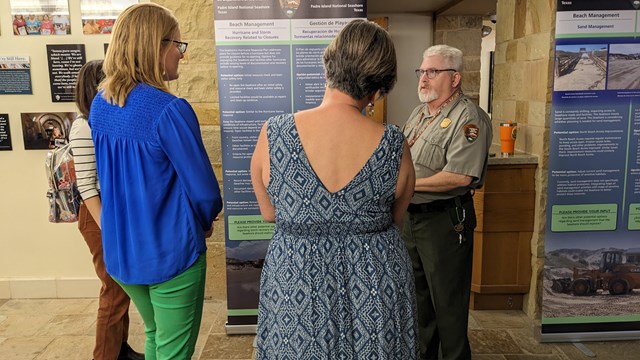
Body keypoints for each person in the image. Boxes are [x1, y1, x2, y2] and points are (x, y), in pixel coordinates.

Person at [251, 19, 418, 359]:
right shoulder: (392, 143)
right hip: (375, 280)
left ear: (329, 66)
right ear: (379, 87)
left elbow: (270, 213)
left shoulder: (274, 134)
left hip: (296, 277)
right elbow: (395, 217)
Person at [89, 3, 222, 359]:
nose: (182, 55)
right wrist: (204, 223)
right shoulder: (169, 110)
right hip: (169, 254)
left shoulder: (102, 104)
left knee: (155, 335)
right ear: (155, 45)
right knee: (173, 351)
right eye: (178, 45)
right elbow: (206, 193)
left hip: (123, 253)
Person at [401, 44, 492, 360]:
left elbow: (459, 177)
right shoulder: (419, 112)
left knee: (448, 308)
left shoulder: (468, 119)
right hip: (412, 220)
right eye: (422, 71)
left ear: (455, 78)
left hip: (445, 222)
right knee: (420, 303)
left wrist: (406, 185)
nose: (424, 78)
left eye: (432, 71)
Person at [69, 60, 143, 360]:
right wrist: (109, 228)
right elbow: (87, 186)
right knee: (113, 290)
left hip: (110, 213)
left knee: (120, 289)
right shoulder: (83, 125)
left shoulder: (103, 122)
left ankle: (119, 349)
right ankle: (105, 355)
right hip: (98, 214)